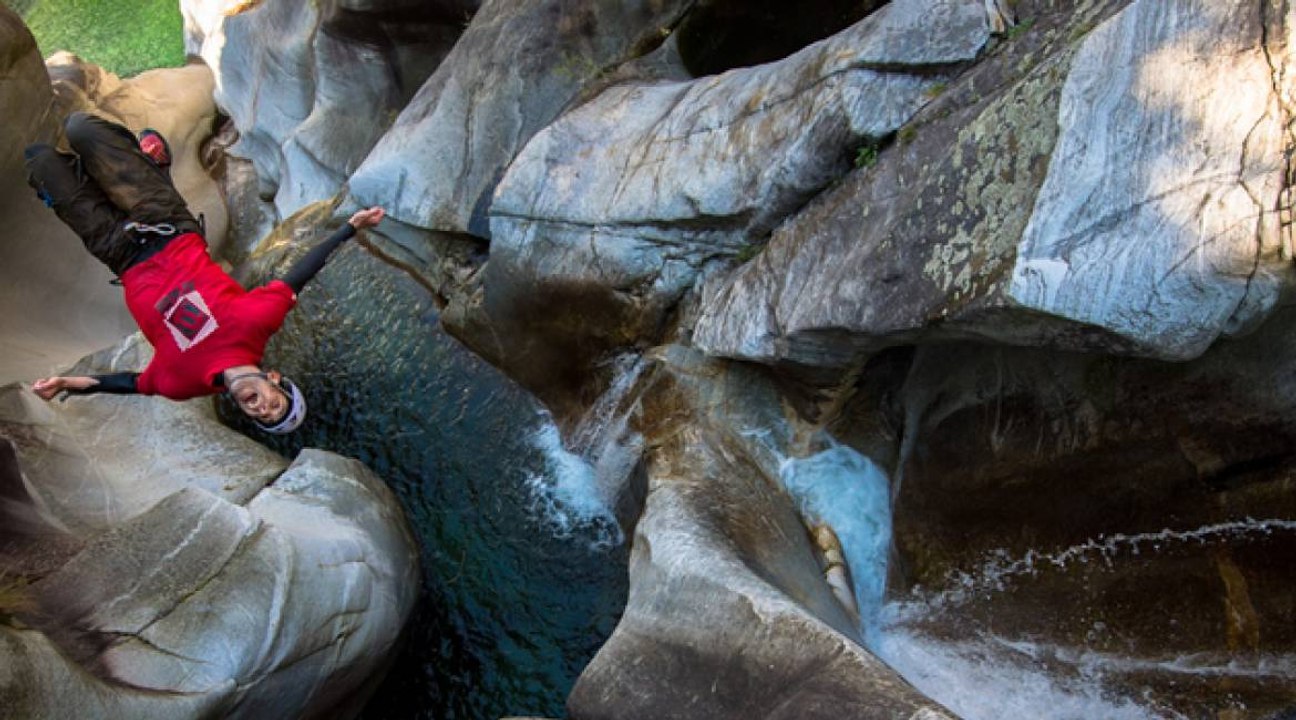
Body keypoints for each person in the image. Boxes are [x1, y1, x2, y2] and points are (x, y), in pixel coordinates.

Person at [24, 111, 384, 434]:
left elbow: (133, 384)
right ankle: (152, 167)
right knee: (80, 128)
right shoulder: (256, 324)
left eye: (262, 415)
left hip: (120, 254)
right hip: (165, 225)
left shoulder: (182, 384)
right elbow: (299, 275)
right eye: (274, 403)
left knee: (40, 162)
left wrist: (66, 382)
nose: (261, 406)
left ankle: (138, 170)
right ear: (274, 380)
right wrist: (350, 228)